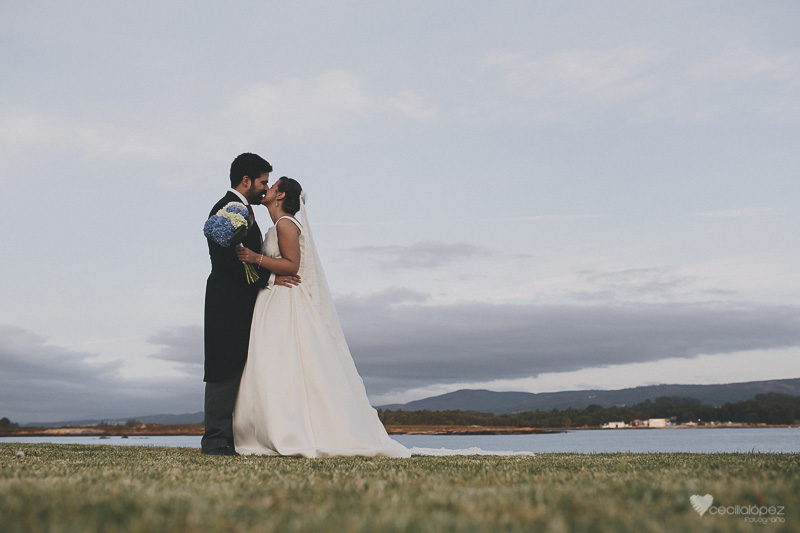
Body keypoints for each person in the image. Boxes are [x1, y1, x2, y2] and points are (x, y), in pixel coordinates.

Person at [232, 177, 411, 458]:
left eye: (273, 184)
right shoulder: (280, 224)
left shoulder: (286, 224)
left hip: (285, 301)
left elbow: (292, 265)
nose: (267, 188)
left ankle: (289, 430)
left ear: (280, 196)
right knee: (276, 363)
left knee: (281, 361)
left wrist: (255, 259)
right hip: (274, 298)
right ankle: (274, 427)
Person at [202, 153, 299, 456]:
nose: (264, 188)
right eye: (262, 182)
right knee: (223, 365)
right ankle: (216, 439)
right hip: (227, 300)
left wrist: (267, 276)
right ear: (246, 181)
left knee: (239, 367)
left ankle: (234, 436)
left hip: (244, 302)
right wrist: (268, 278)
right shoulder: (225, 209)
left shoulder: (246, 212)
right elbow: (228, 263)